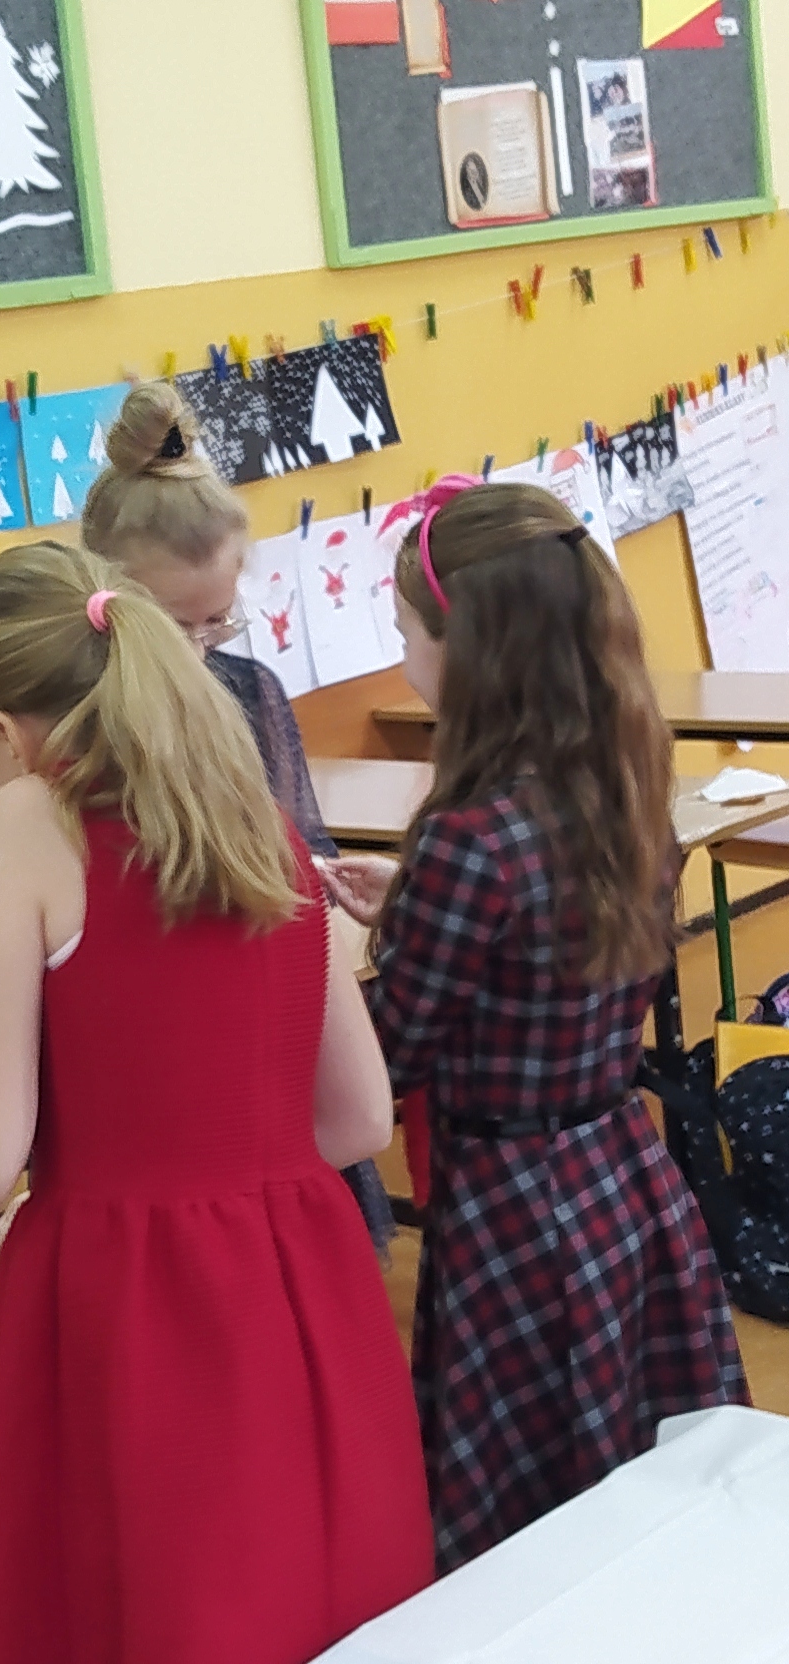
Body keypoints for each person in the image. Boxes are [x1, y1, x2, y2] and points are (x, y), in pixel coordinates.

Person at [0, 542, 433, 1664]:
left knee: (148, 1603)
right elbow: (360, 1121)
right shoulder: (253, 810)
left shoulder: (30, 818)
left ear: (6, 732)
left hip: (127, 1289)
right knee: (311, 1591)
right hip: (304, 1266)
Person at [324, 479, 748, 1570]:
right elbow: (543, 945)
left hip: (515, 1207)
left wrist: (329, 965)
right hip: (622, 1174)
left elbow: (386, 1057)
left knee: (532, 1518)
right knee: (629, 1466)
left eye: (408, 634)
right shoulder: (619, 778)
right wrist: (416, 907)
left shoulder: (467, 836)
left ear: (472, 652)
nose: (403, 661)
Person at [80, 378, 399, 1259]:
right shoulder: (76, 736)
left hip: (268, 1050)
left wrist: (325, 887)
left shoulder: (250, 694)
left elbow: (305, 864)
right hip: (158, 1074)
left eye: (217, 622)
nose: (195, 651)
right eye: (169, 628)